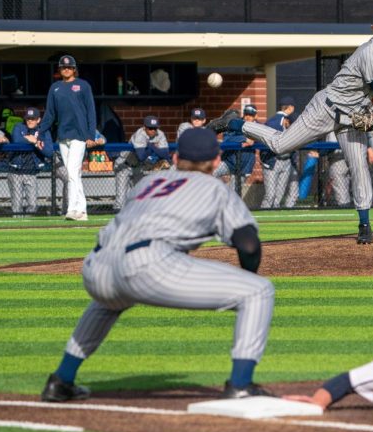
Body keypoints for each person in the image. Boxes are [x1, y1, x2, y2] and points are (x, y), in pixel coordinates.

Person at [40, 126, 275, 402]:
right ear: (215, 161)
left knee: (109, 301)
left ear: (176, 160)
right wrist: (245, 282)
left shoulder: (148, 183)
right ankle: (241, 384)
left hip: (96, 265)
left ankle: (61, 380)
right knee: (258, 291)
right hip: (148, 264)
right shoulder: (214, 187)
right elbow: (248, 245)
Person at [222, 8, 373, 244]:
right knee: (279, 144)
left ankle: (365, 225)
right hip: (326, 108)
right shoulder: (369, 51)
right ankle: (234, 123)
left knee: (359, 167)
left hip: (352, 117)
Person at [39, 54, 97, 221]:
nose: (66, 69)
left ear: (74, 69)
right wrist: (41, 132)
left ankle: (72, 209)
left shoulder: (83, 86)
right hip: (63, 136)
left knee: (72, 172)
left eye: (69, 67)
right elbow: (50, 113)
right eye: (63, 67)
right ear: (60, 69)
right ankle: (83, 210)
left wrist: (90, 134)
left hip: (79, 135)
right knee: (74, 175)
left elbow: (91, 111)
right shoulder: (55, 88)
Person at [113, 115, 170, 211]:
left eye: (155, 128)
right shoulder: (140, 134)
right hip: (124, 165)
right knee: (120, 201)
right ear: (144, 127)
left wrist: (151, 147)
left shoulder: (160, 134)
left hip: (138, 167)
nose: (153, 130)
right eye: (150, 128)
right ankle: (116, 223)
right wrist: (155, 148)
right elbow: (141, 156)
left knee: (141, 196)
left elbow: (165, 155)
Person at [7, 106, 53, 216]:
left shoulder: (43, 131)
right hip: (15, 171)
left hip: (32, 171)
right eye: (28, 118)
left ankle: (26, 226)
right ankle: (17, 230)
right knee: (16, 206)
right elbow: (17, 140)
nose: (30, 121)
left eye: (33, 119)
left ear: (38, 120)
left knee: (32, 205)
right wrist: (35, 142)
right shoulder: (19, 127)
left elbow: (49, 151)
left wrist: (34, 141)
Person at [260, 97, 299, 209]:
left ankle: (273, 220)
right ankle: (262, 219)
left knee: (278, 195)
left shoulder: (286, 124)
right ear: (287, 120)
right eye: (290, 124)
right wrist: (264, 160)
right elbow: (262, 142)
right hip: (272, 161)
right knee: (270, 195)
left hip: (286, 161)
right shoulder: (274, 123)